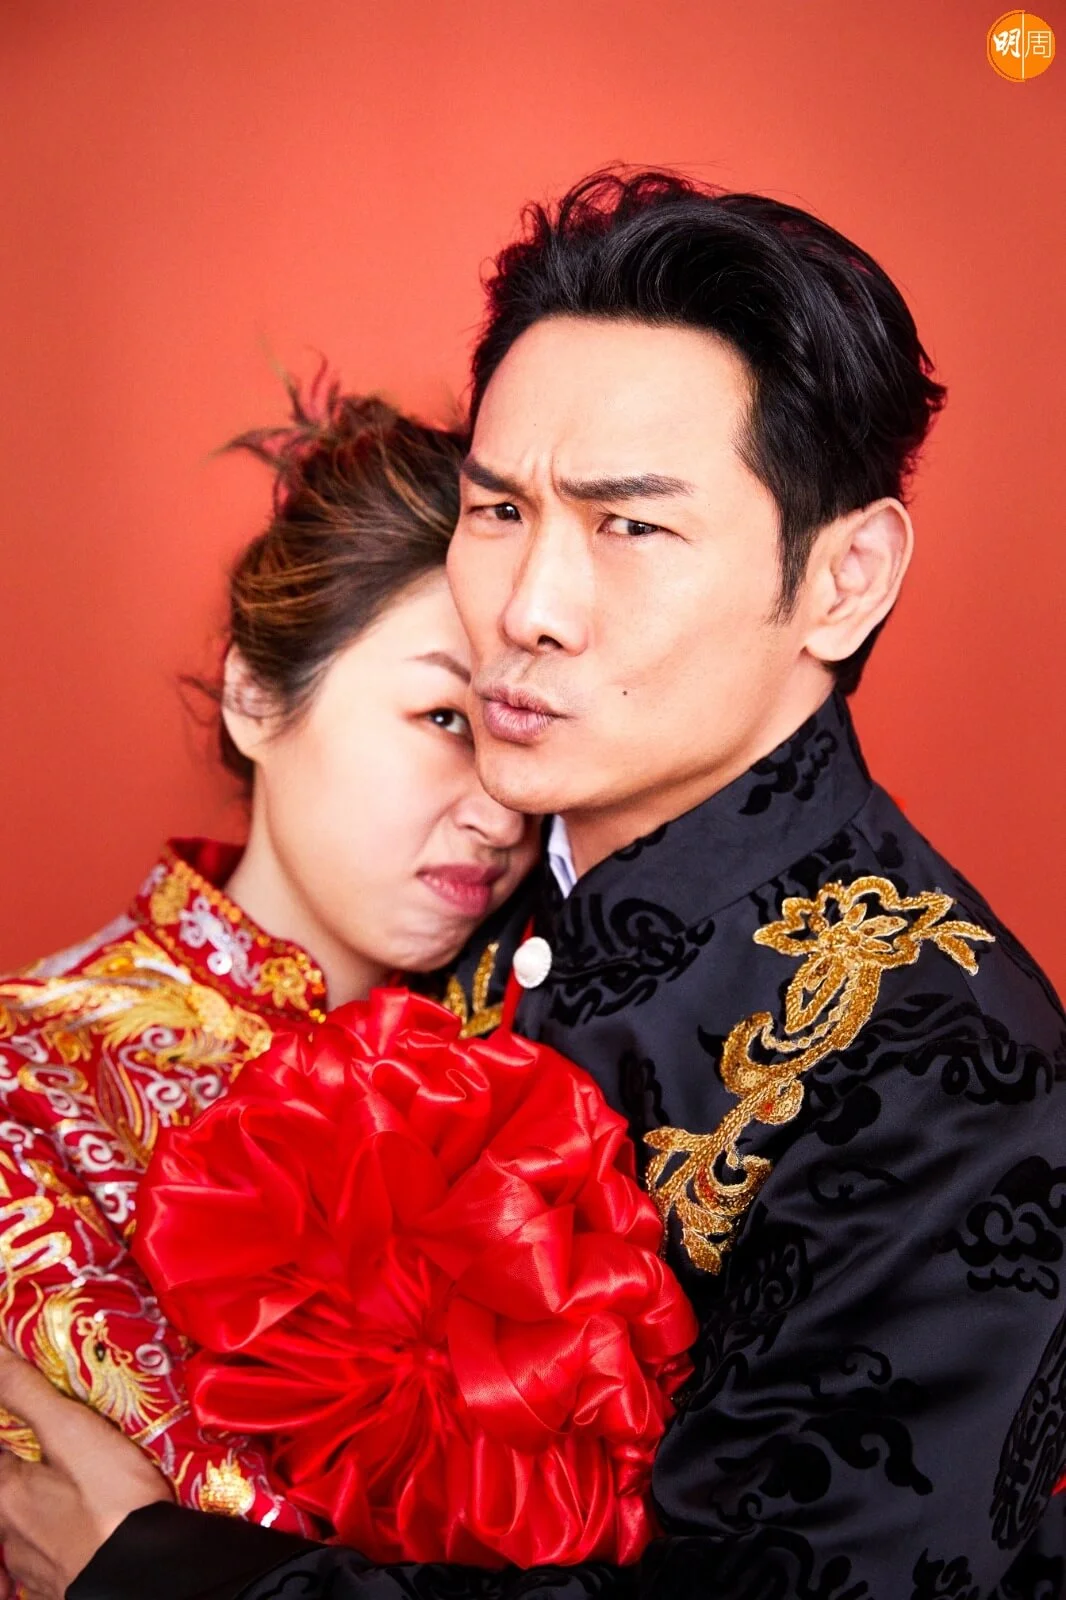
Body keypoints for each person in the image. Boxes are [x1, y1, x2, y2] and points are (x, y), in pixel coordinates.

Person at [2, 167, 1065, 1600]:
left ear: (843, 577)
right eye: (497, 509)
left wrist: (154, 1576)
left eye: (631, 527)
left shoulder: (948, 1065)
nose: (525, 608)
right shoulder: (442, 898)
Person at [0, 382, 535, 1531]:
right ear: (253, 693)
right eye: (445, 719)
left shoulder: (544, 1065)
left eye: (525, 735)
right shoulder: (29, 1084)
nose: (501, 810)